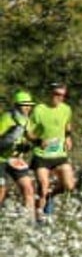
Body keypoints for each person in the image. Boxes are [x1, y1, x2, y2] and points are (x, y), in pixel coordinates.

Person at [29, 82, 76, 215]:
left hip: (59, 154)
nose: (60, 98)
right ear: (50, 94)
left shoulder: (66, 109)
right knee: (43, 187)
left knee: (69, 185)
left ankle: (50, 195)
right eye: (57, 94)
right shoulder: (39, 109)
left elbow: (67, 124)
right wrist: (38, 141)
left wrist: (68, 137)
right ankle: (38, 221)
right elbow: (28, 131)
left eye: (63, 95)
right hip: (42, 155)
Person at [0, 90, 37, 218]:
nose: (28, 107)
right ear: (17, 105)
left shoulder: (26, 120)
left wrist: (32, 144)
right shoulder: (6, 118)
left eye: (29, 105)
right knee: (1, 191)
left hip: (15, 159)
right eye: (24, 104)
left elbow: (28, 136)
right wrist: (8, 143)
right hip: (1, 160)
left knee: (28, 188)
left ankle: (29, 222)